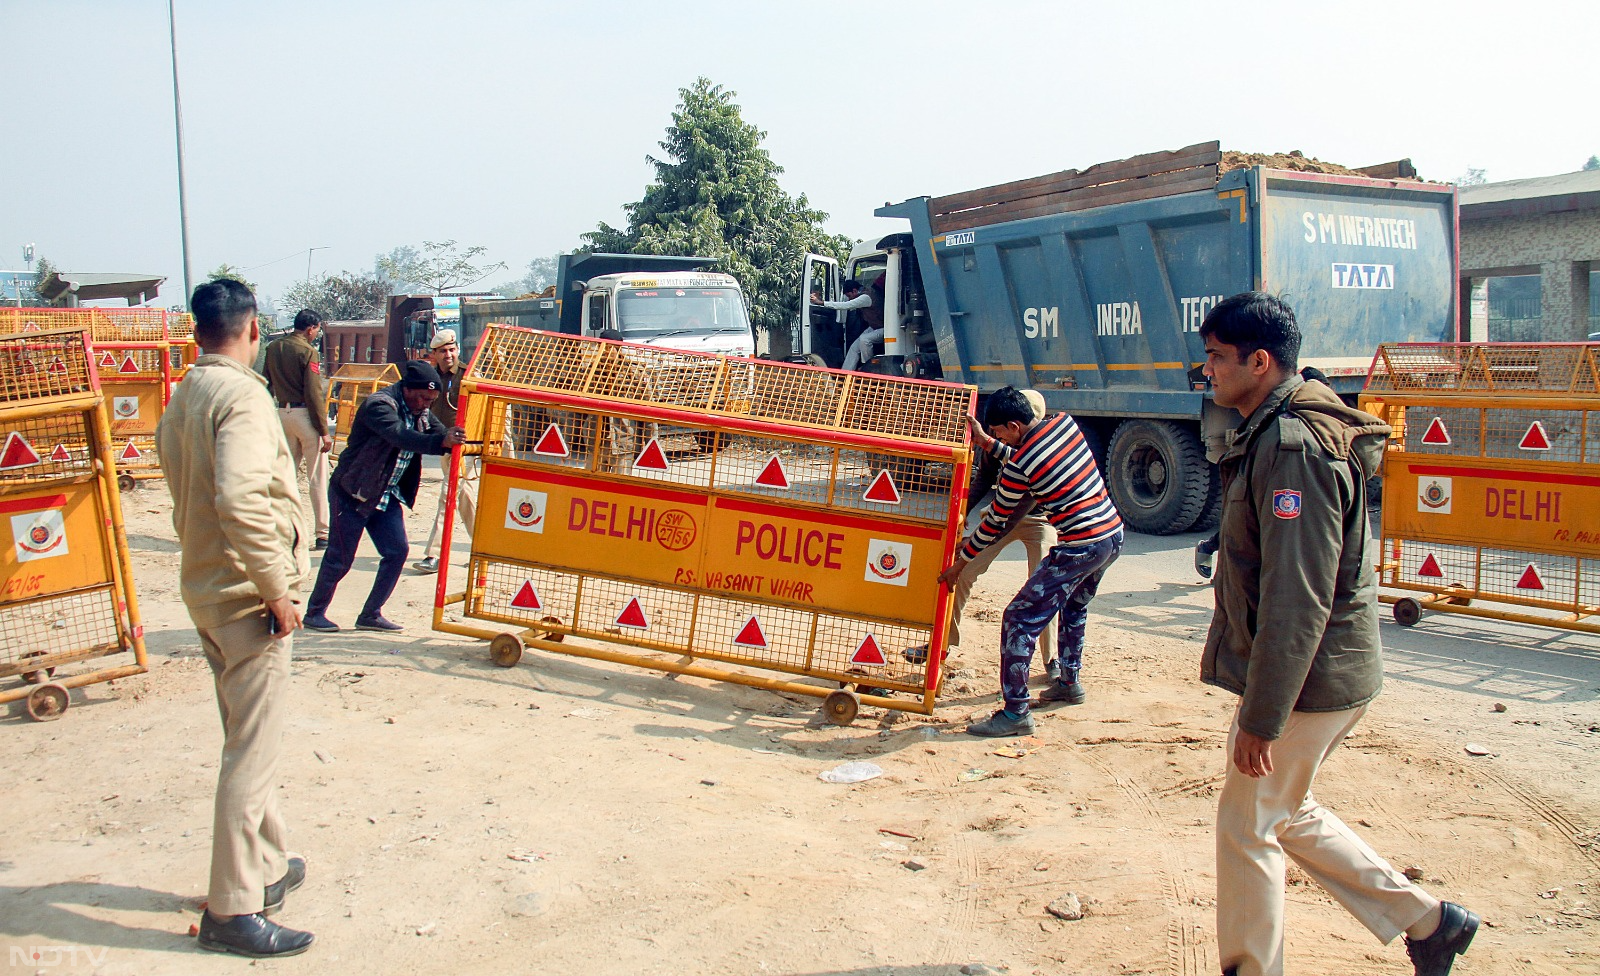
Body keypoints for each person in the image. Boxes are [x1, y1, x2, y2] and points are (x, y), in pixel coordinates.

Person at [1198, 292, 1478, 976]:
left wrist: (1262, 717)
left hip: (1311, 678)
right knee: (1284, 810)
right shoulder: (1273, 430)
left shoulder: (1293, 447)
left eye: (1214, 358)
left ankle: (1253, 969)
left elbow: (1299, 596)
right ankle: (1430, 923)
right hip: (1315, 673)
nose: (1205, 372)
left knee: (1249, 825)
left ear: (1258, 362)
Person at [156, 279, 315, 958]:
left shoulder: (187, 391)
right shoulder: (243, 397)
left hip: (208, 587)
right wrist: (276, 588)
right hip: (246, 596)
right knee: (249, 756)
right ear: (252, 330)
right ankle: (233, 909)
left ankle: (268, 867)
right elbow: (243, 498)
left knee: (252, 738)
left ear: (198, 331)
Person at [937, 386, 1124, 737]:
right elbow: (1029, 456)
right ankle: (1069, 681)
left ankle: (1016, 712)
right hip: (1111, 535)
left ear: (1014, 425)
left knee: (1018, 619)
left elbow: (995, 523)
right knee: (1073, 607)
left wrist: (961, 562)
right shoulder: (1066, 425)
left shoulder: (1021, 465)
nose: (994, 437)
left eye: (997, 432)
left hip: (1080, 545)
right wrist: (990, 444)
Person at [302, 360, 465, 633]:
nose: (427, 403)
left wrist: (456, 438)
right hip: (353, 492)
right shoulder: (379, 406)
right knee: (339, 558)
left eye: (431, 399)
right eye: (423, 397)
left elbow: (437, 432)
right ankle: (314, 613)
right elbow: (401, 436)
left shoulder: (421, 410)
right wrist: (441, 442)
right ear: (407, 389)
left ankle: (370, 614)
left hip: (383, 495)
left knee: (397, 551)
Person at [906, 390, 1061, 677]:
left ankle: (1052, 661)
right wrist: (960, 512)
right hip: (999, 515)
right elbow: (984, 479)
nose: (1001, 437)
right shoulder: (1000, 440)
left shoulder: (1036, 452)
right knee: (959, 573)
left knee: (1041, 587)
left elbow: (1013, 512)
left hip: (1035, 520)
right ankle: (941, 644)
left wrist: (976, 541)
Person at [263, 308, 331, 550]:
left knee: (285, 477)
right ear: (311, 328)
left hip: (282, 414)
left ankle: (285, 532)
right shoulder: (308, 351)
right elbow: (314, 393)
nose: (317, 334)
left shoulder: (273, 348)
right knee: (317, 477)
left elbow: (266, 384)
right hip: (305, 417)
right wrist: (324, 430)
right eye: (317, 330)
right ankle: (323, 534)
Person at [414, 329, 476, 574]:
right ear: (434, 355)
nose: (448, 355)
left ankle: (433, 554)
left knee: (446, 496)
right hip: (443, 447)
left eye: (451, 350)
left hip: (464, 446)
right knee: (465, 501)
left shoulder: (468, 374)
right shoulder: (431, 376)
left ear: (457, 349)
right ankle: (483, 545)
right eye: (442, 351)